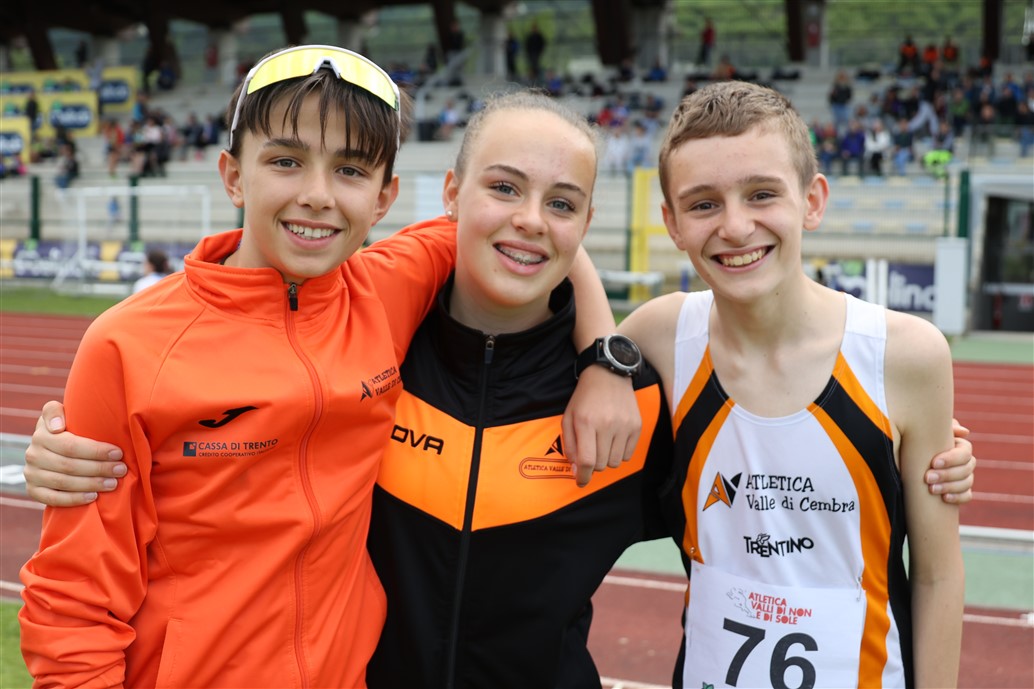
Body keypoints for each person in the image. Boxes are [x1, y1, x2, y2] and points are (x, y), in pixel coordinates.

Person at [21, 85, 978, 689]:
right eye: (503, 188)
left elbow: (754, 503)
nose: (529, 220)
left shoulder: (638, 395)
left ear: (587, 222)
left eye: (562, 203)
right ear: (447, 198)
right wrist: (73, 446)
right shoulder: (379, 338)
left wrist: (604, 362)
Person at [18, 44, 463, 689]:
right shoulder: (127, 345)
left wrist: (603, 356)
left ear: (384, 198)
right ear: (232, 176)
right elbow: (73, 598)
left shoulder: (388, 286)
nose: (317, 195)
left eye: (350, 170)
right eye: (286, 161)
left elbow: (515, 227)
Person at [614, 80, 964, 688]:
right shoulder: (659, 336)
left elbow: (937, 575)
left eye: (762, 194)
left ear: (812, 200)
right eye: (703, 204)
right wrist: (601, 365)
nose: (735, 226)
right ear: (672, 223)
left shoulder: (905, 356)